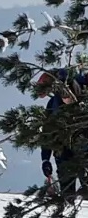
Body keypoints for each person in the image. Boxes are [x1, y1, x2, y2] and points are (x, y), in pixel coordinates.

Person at [38, 68, 88, 202]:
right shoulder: (53, 105)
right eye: (63, 94)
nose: (66, 98)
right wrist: (45, 159)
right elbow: (48, 133)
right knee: (67, 196)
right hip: (63, 155)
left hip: (84, 153)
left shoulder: (84, 104)